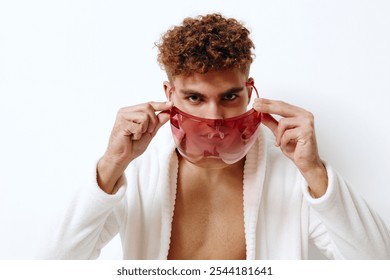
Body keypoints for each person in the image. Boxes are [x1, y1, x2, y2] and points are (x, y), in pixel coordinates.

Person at [45, 13, 389, 259]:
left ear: (250, 91)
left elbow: (377, 264)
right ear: (169, 94)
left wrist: (315, 171)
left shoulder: (291, 173)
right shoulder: (137, 170)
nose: (213, 119)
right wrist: (110, 165)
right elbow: (53, 266)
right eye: (195, 97)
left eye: (229, 96)